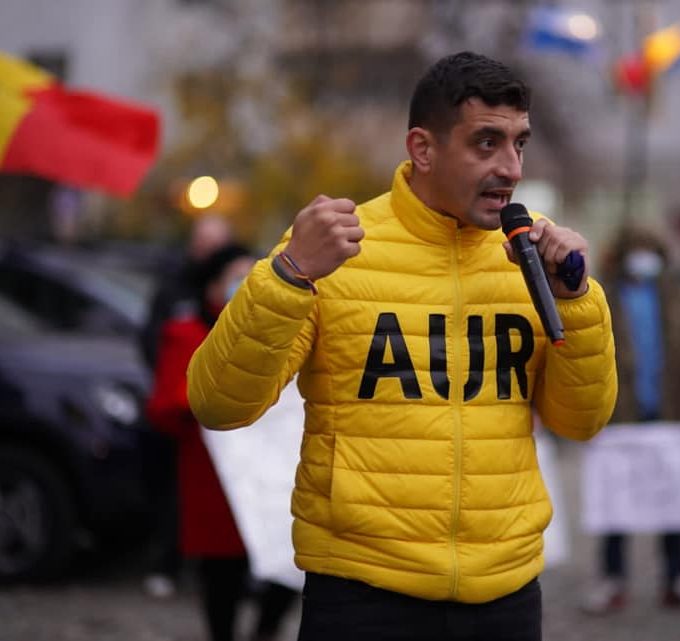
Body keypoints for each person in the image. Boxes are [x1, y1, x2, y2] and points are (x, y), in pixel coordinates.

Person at [186, 51, 618, 641]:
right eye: (486, 143)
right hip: (364, 593)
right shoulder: (334, 247)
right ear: (423, 148)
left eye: (520, 143)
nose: (511, 166)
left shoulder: (531, 255)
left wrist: (576, 300)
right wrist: (288, 273)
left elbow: (581, 420)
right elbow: (219, 403)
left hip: (505, 592)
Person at [146, 244, 298, 641]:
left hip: (273, 477)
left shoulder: (281, 336)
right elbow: (164, 407)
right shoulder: (186, 334)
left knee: (287, 561)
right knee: (222, 577)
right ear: (212, 284)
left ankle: (265, 630)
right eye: (236, 277)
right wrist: (204, 398)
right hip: (213, 483)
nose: (244, 286)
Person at [581, 226, 680, 615]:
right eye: (636, 250)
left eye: (650, 250)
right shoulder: (601, 296)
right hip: (621, 415)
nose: (643, 258)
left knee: (673, 500)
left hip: (673, 413)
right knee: (616, 501)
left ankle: (678, 579)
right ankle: (613, 580)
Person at [139, 213, 234, 598]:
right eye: (201, 241)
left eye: (214, 243)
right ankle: (169, 564)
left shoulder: (239, 285)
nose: (206, 250)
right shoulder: (174, 289)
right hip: (183, 415)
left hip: (226, 416)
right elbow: (152, 338)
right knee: (175, 495)